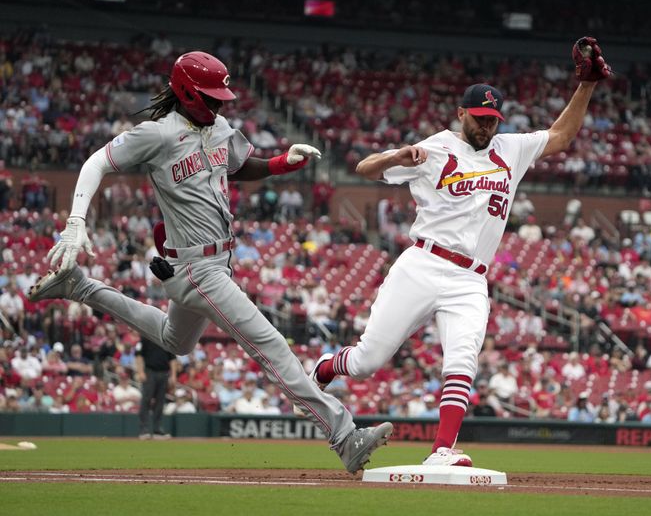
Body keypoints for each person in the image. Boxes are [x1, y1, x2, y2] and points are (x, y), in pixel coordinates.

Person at [27, 51, 391, 472]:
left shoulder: (218, 128)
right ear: (185, 91)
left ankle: (80, 287)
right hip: (197, 269)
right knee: (272, 345)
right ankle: (344, 435)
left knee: (174, 340)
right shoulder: (157, 135)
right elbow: (97, 162)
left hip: (216, 262)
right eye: (210, 96)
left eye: (221, 96)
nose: (218, 104)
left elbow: (235, 166)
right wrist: (76, 221)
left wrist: (278, 163)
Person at [301, 38, 611, 466]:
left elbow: (560, 136)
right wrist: (400, 154)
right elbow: (364, 169)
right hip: (423, 263)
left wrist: (587, 86)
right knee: (369, 359)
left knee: (463, 359)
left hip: (470, 279)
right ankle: (318, 373)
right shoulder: (436, 148)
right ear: (462, 113)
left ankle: (442, 450)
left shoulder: (509, 149)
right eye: (480, 118)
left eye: (493, 120)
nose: (487, 127)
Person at [136, 336, 176, 439]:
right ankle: (143, 430)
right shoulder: (146, 337)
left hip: (164, 373)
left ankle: (157, 429)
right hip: (150, 372)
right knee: (146, 400)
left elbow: (172, 358)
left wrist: (173, 375)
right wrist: (140, 371)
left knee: (160, 402)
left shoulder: (167, 339)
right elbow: (138, 355)